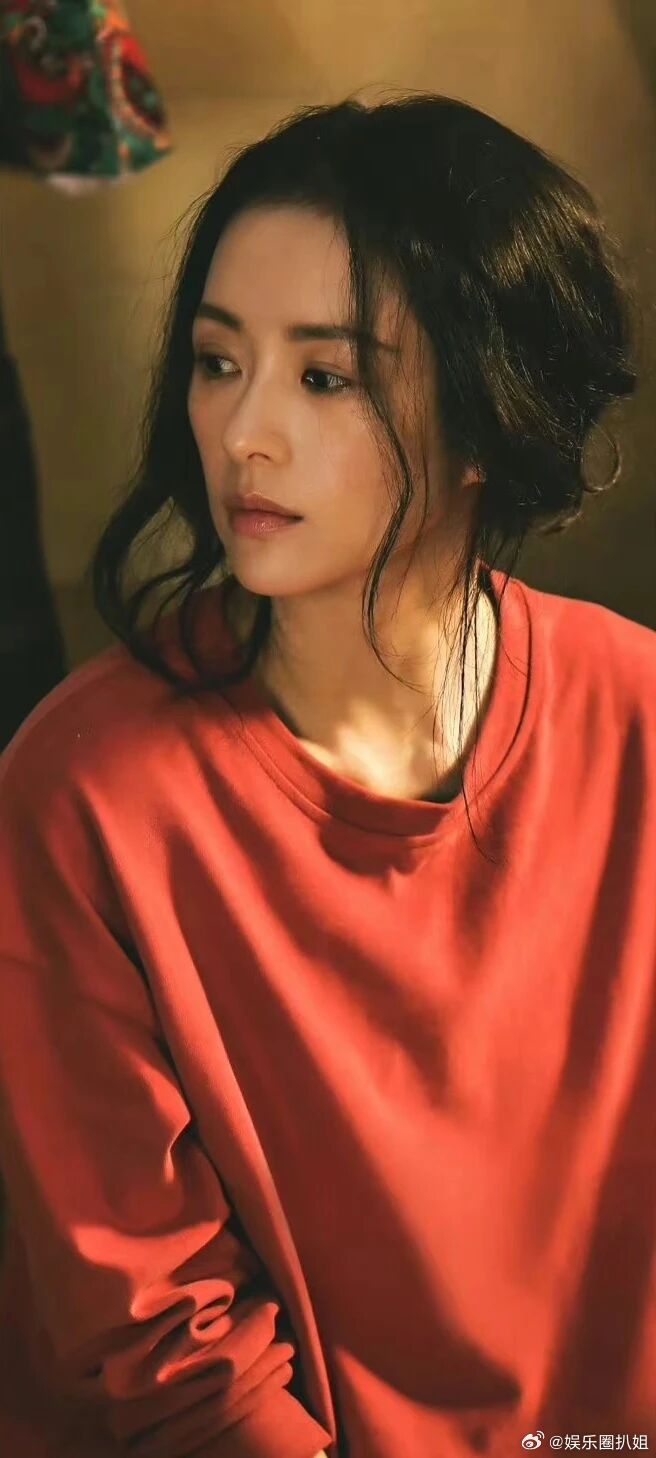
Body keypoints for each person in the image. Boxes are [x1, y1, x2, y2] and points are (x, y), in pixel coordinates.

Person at [0, 89, 654, 1458]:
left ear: (489, 413)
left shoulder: (638, 718)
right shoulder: (80, 795)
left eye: (325, 377)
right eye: (216, 360)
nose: (242, 431)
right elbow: (163, 1352)